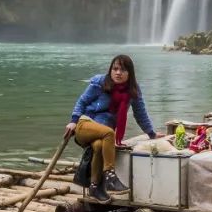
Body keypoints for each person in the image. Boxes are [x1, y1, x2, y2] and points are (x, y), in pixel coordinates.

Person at [62, 54, 157, 203]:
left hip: (102, 133)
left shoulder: (133, 91)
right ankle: (110, 177)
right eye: (115, 69)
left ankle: (94, 187)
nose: (118, 73)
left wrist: (152, 134)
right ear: (110, 70)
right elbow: (82, 101)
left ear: (130, 73)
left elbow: (140, 114)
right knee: (109, 133)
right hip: (85, 124)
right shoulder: (99, 83)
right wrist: (73, 121)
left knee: (99, 146)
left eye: (123, 70)